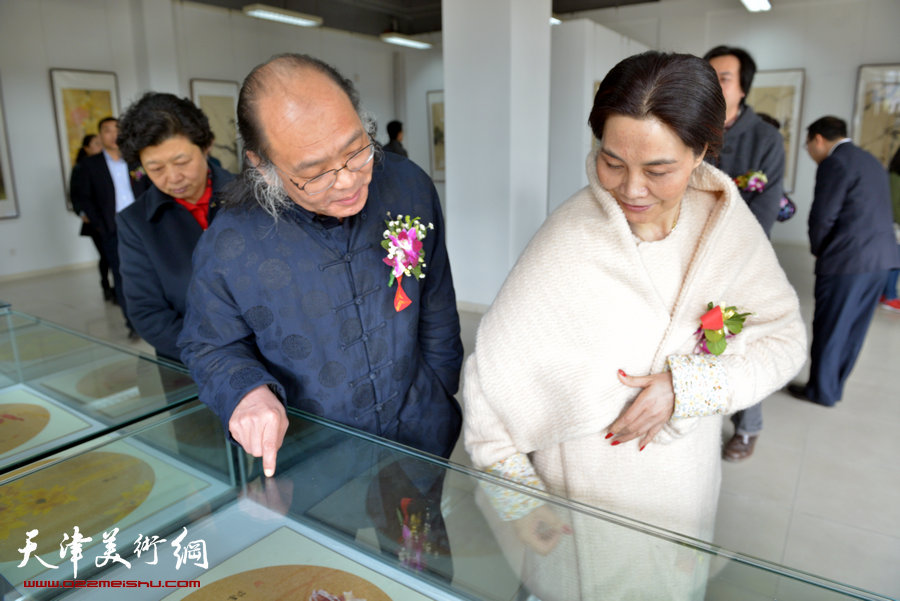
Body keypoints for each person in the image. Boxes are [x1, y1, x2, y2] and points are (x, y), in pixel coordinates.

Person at [462, 51, 806, 599]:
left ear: (700, 151)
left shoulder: (725, 226)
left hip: (681, 499)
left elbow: (786, 340)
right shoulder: (570, 238)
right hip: (578, 514)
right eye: (612, 161)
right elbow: (488, 381)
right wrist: (518, 500)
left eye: (658, 169)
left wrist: (689, 387)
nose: (631, 190)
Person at [178, 53, 463, 476]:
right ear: (262, 165)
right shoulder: (231, 243)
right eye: (314, 173)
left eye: (355, 150)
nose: (347, 180)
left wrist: (440, 386)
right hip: (315, 454)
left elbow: (436, 297)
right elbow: (209, 344)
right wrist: (247, 393)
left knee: (418, 539)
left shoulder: (408, 186)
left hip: (418, 430)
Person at [704, 45, 786, 461]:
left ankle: (748, 427)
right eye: (708, 74)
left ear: (743, 88)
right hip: (688, 255)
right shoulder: (692, 127)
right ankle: (695, 417)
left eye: (724, 77)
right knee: (693, 342)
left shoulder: (765, 138)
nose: (714, 83)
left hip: (739, 264)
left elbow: (764, 211)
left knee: (733, 342)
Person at [787, 117, 900, 407]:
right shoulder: (870, 160)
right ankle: (833, 385)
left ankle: (821, 391)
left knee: (831, 326)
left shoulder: (834, 163)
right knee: (853, 328)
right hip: (882, 258)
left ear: (818, 139)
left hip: (848, 260)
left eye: (808, 144)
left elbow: (823, 215)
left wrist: (819, 249)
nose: (810, 151)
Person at [116, 92, 233, 362]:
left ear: (206, 147)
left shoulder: (252, 198)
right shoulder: (136, 223)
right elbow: (147, 312)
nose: (173, 177)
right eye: (155, 168)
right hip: (191, 365)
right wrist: (215, 356)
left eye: (182, 162)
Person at [70, 117, 145, 338]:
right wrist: (100, 225)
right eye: (107, 131)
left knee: (150, 272)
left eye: (117, 130)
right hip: (112, 228)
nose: (113, 135)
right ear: (101, 136)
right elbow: (83, 197)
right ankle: (133, 325)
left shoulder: (136, 161)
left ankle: (155, 315)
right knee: (122, 275)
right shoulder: (90, 165)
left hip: (142, 226)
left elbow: (148, 188)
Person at [69, 134, 111, 301]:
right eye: (96, 144)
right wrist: (83, 213)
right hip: (94, 220)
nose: (100, 147)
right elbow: (75, 195)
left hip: (110, 218)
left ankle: (117, 288)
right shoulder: (81, 168)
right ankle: (106, 286)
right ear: (86, 148)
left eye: (101, 144)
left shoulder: (107, 165)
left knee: (115, 254)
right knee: (106, 254)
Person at [879, 146, 900, 311]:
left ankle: (886, 293)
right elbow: (894, 206)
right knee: (895, 262)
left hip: (894, 225)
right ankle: (890, 295)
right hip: (894, 226)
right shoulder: (895, 177)